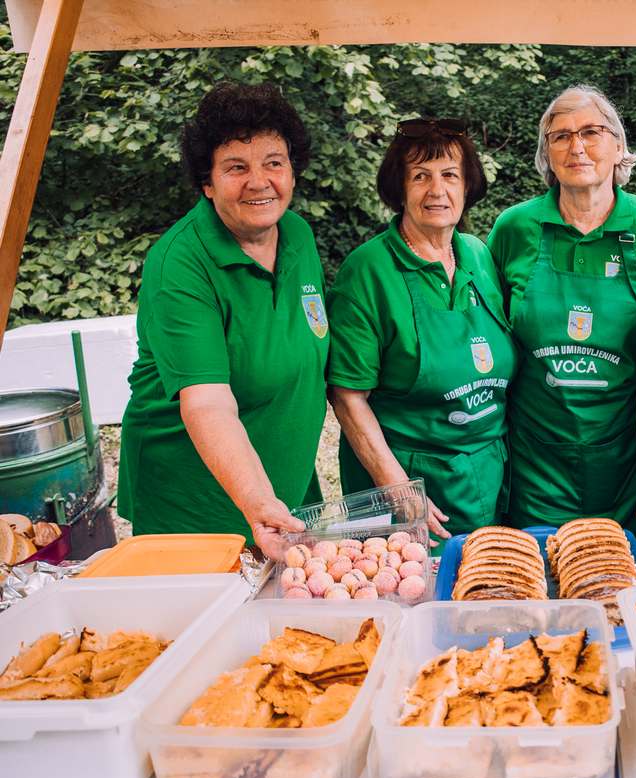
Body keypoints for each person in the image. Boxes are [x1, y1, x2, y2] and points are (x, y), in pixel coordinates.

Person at [118, 82, 327, 556]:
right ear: (207, 183)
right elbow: (207, 403)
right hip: (194, 509)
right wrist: (257, 500)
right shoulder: (180, 263)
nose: (259, 181)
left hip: (281, 492)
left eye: (274, 162)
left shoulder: (296, 235)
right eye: (236, 167)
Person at [488, 85, 636, 530]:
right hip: (536, 461)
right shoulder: (514, 227)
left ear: (617, 146)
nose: (577, 146)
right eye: (560, 136)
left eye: (591, 132)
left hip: (628, 457)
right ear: (547, 153)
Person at [327, 119, 514, 548]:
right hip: (407, 487)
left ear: (467, 186)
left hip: (486, 474)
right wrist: (397, 486)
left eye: (450, 175)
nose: (437, 190)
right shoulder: (369, 271)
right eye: (420, 177)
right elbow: (347, 396)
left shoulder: (479, 256)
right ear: (400, 188)